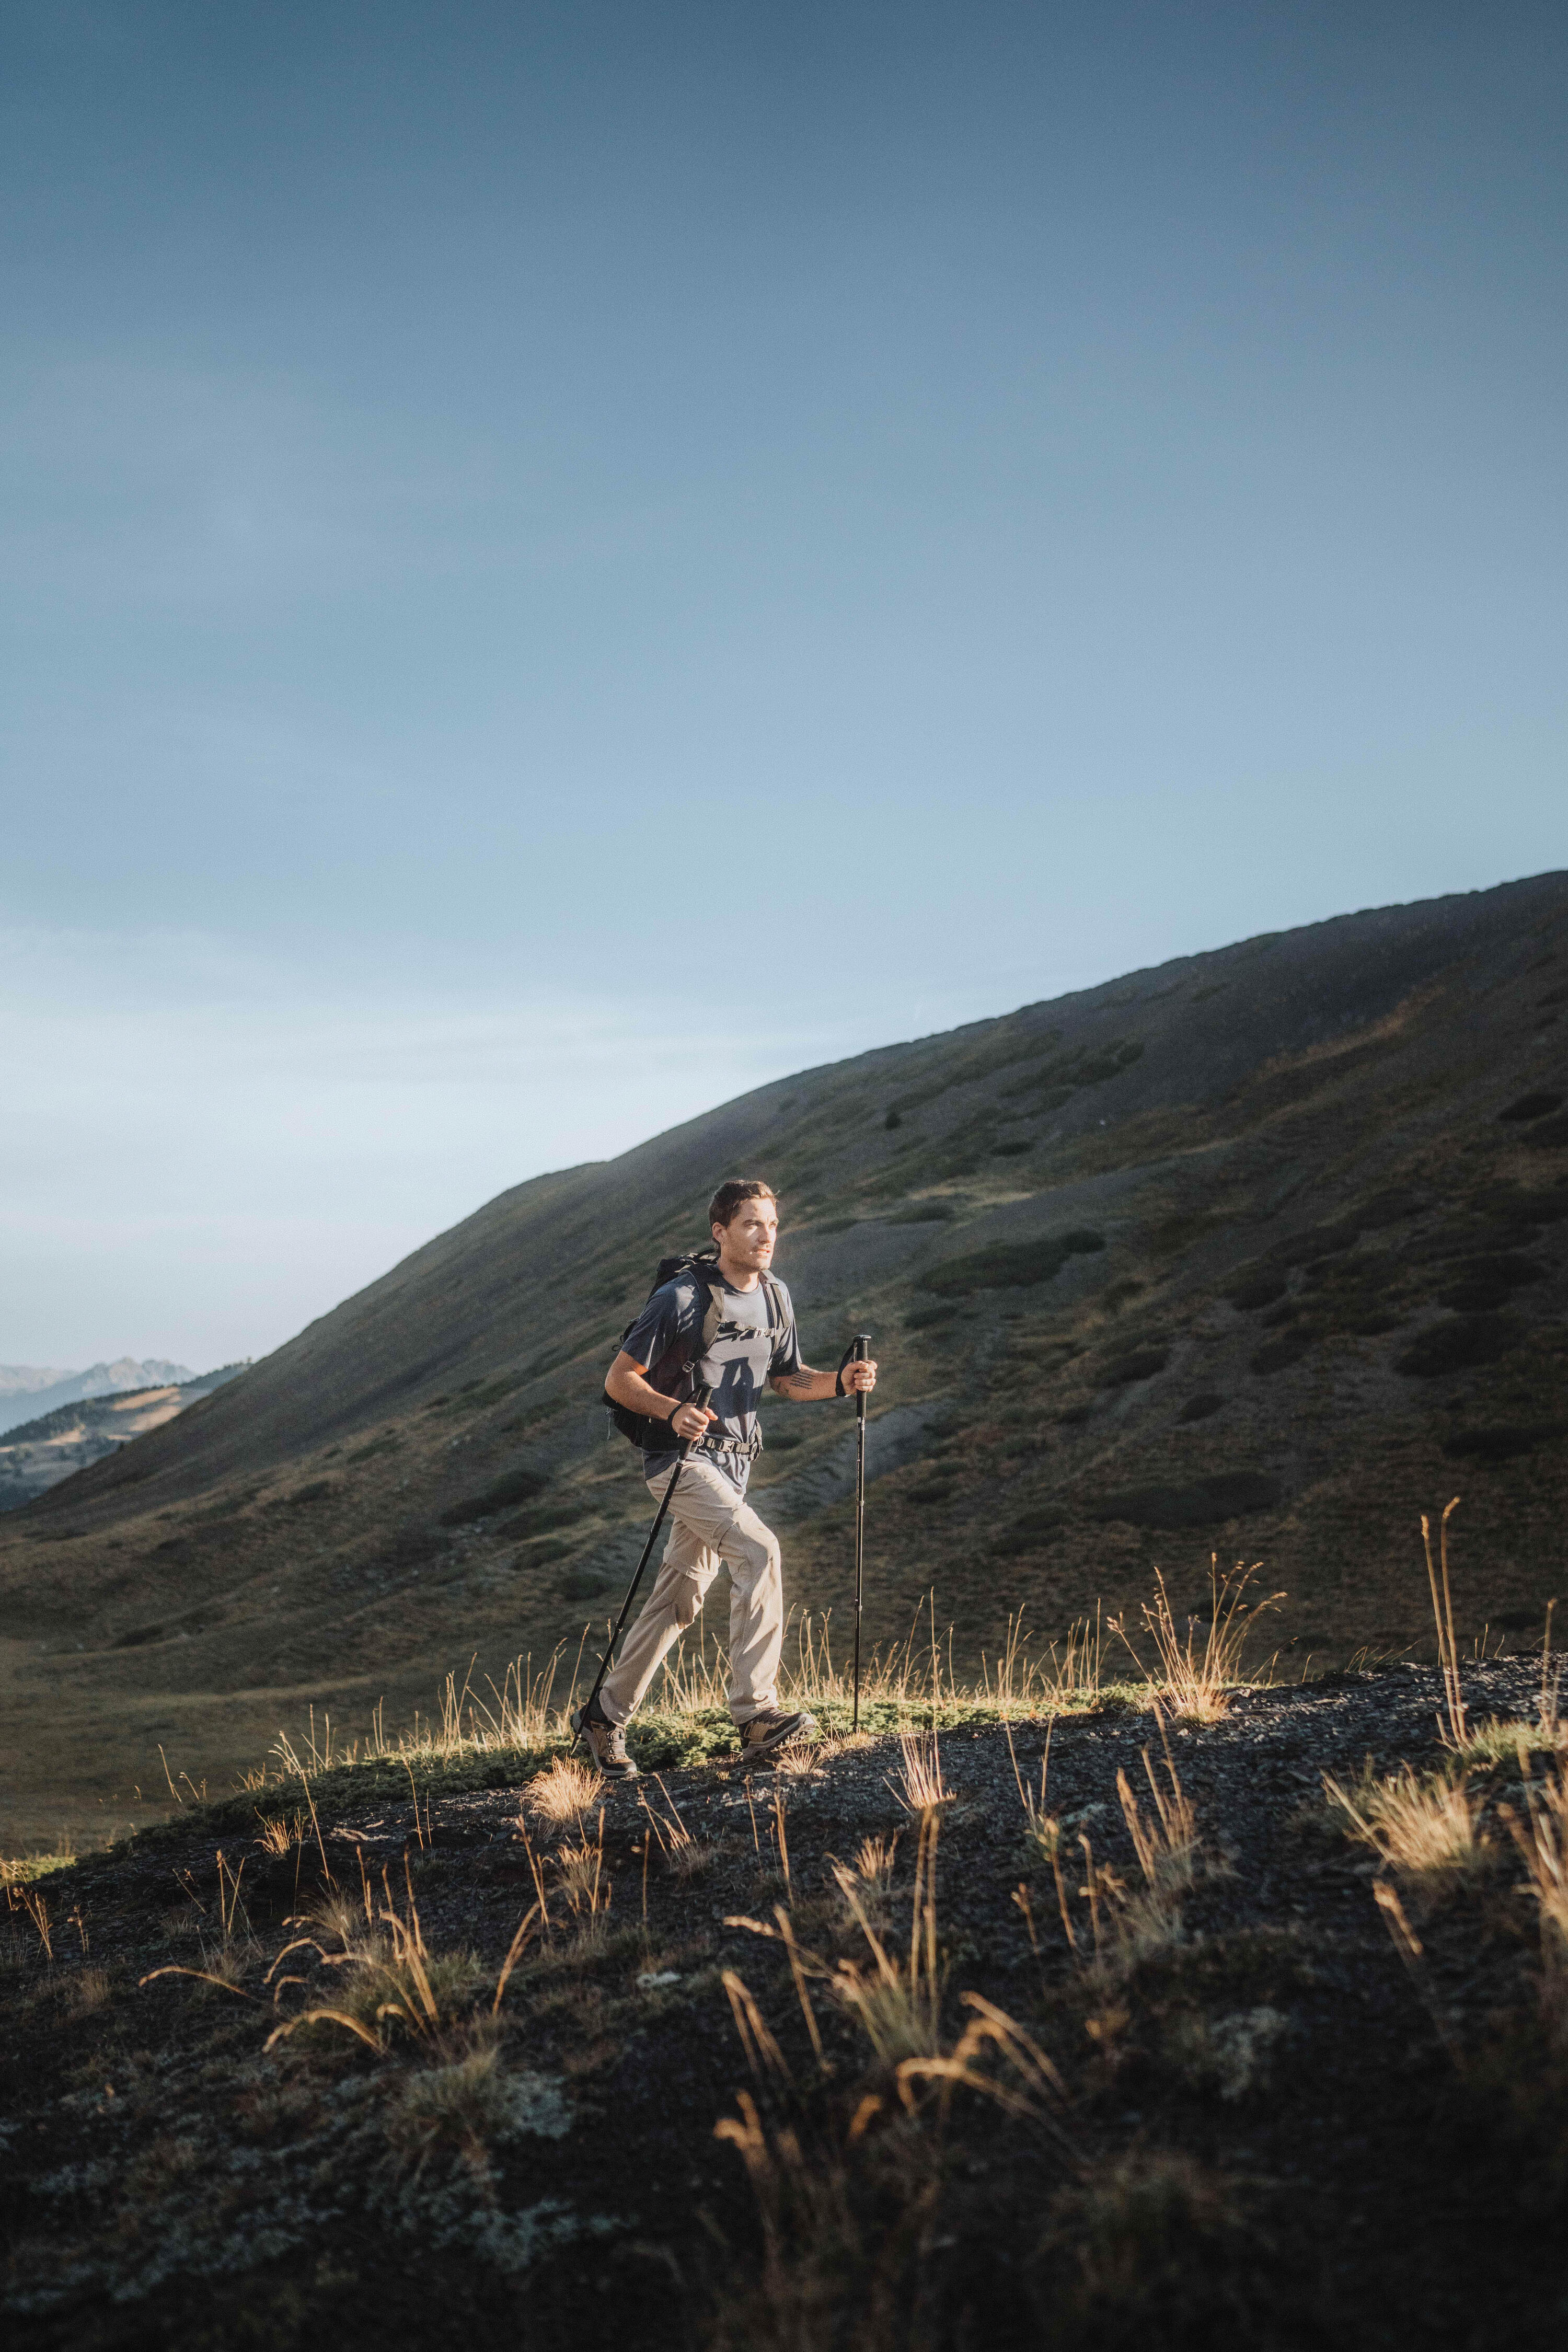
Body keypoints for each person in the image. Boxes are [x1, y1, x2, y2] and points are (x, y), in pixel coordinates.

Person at [572, 1178, 877, 1779]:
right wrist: (672, 1409)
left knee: (678, 1600)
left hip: (737, 1463)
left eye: (772, 1226)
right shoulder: (681, 1298)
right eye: (751, 1225)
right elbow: (619, 1381)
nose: (766, 1236)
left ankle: (603, 1719)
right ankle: (757, 1716)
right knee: (760, 1550)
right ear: (721, 1232)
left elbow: (788, 1379)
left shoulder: (776, 1297)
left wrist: (842, 1382)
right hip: (681, 1462)